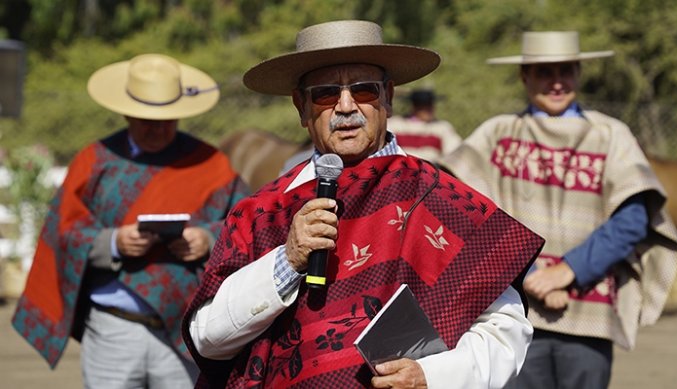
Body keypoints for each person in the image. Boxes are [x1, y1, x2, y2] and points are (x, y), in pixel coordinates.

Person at [183, 20, 546, 388]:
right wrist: (286, 261)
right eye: (325, 94)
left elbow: (506, 329)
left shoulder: (437, 197)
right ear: (301, 106)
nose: (345, 106)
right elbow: (206, 339)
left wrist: (431, 377)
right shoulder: (263, 213)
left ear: (387, 96)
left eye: (363, 91)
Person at [439, 31, 677, 389]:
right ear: (524, 76)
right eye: (544, 72)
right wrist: (530, 272)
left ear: (579, 73)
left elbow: (633, 219)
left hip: (588, 314)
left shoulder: (612, 135)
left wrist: (569, 270)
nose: (557, 83)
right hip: (513, 314)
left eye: (565, 71)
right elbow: (462, 207)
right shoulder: (496, 134)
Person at [11, 53, 250, 388]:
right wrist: (112, 242)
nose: (159, 128)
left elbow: (247, 225)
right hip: (112, 330)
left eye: (168, 119)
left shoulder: (210, 164)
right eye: (147, 120)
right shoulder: (95, 161)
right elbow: (63, 232)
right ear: (126, 112)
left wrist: (207, 239)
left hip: (188, 329)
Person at [387, 88, 462, 162]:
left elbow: (455, 153)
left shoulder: (442, 128)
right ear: (414, 107)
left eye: (430, 105)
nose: (429, 110)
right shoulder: (395, 125)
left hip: (432, 170)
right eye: (424, 106)